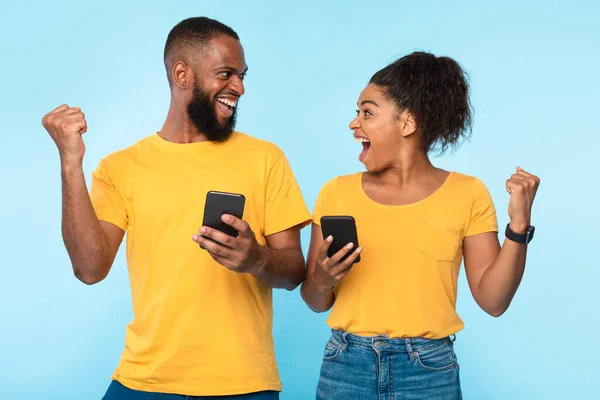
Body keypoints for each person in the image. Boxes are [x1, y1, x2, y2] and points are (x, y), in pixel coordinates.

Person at [42, 17, 311, 399]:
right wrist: (71, 161)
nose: (239, 87)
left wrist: (255, 260)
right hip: (143, 382)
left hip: (242, 385)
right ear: (182, 74)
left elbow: (293, 272)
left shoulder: (266, 158)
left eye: (242, 75)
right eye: (226, 74)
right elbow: (89, 268)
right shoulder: (121, 167)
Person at [301, 51, 540, 399]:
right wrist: (322, 279)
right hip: (346, 365)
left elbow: (493, 300)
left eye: (367, 112)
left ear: (407, 123)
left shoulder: (468, 193)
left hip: (428, 372)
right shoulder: (335, 192)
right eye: (356, 112)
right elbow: (315, 300)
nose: (355, 123)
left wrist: (518, 225)